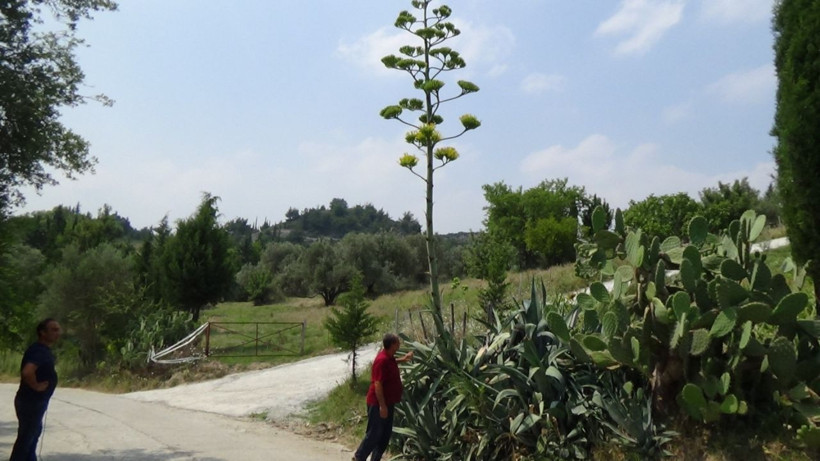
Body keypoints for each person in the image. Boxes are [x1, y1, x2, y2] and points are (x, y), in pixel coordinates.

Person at [353, 333, 413, 461]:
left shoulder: (388, 357)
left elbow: (392, 362)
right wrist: (382, 406)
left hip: (388, 402)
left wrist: (404, 358)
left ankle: (375, 459)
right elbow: (378, 384)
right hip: (378, 404)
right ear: (392, 345)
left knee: (385, 435)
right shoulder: (381, 360)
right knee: (374, 433)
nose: (399, 344)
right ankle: (359, 457)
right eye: (397, 342)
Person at [9, 318, 61, 461]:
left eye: (58, 329)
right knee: (26, 441)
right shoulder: (39, 351)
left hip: (33, 402)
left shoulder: (42, 350)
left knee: (31, 438)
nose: (58, 333)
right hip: (31, 402)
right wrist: (36, 386)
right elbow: (27, 372)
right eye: (54, 330)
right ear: (42, 333)